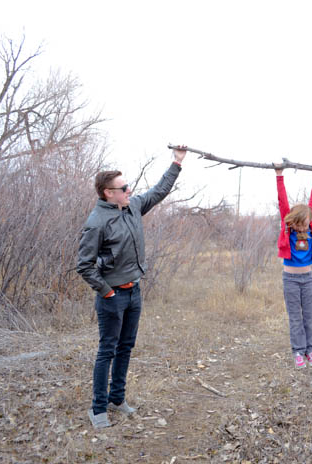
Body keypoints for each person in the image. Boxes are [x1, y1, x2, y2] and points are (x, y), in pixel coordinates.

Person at [76, 146, 187, 429]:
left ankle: (117, 399)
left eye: (128, 187)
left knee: (126, 347)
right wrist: (107, 292)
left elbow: (158, 191)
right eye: (123, 188)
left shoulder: (133, 206)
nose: (129, 190)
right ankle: (98, 409)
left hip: (134, 291)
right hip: (112, 297)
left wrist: (176, 163)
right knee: (107, 351)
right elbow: (84, 265)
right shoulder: (96, 222)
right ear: (107, 193)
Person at [275, 166, 312, 369]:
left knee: (309, 315)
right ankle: (298, 352)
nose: (304, 227)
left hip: (308, 279)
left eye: (306, 224)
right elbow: (282, 200)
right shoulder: (288, 228)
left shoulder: (310, 225)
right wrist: (279, 175)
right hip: (291, 280)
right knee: (295, 317)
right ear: (293, 222)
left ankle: (310, 350)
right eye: (300, 224)